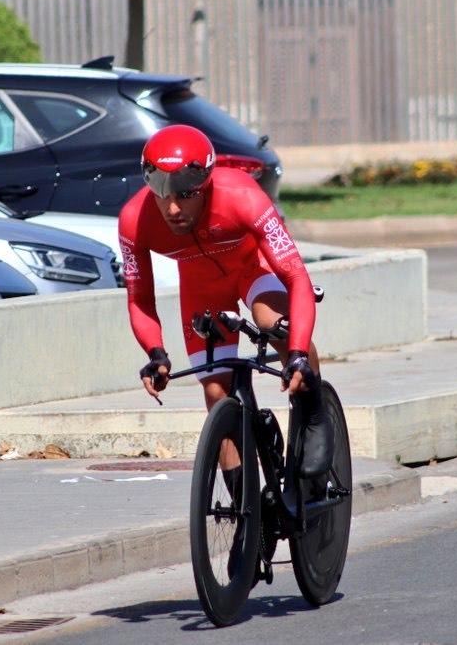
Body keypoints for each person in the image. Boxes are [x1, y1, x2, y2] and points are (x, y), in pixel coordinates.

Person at [118, 124, 332, 479]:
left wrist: (296, 353)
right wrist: (155, 353)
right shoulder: (133, 220)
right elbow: (139, 299)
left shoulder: (242, 196)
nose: (172, 208)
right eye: (161, 192)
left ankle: (313, 411)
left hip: (252, 267)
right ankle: (246, 514)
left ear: (205, 184)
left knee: (273, 324)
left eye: (185, 194)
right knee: (216, 390)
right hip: (202, 286)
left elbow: (296, 277)